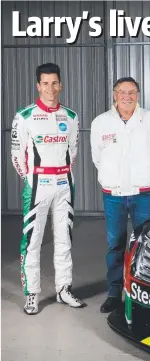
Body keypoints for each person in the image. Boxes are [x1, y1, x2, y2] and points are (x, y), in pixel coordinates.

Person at [11, 63, 86, 315]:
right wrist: (32, 178)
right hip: (37, 186)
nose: (50, 88)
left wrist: (61, 174)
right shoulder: (24, 116)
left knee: (64, 239)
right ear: (38, 86)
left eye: (54, 83)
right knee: (32, 241)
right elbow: (16, 155)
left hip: (65, 184)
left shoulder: (72, 117)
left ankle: (63, 289)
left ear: (60, 85)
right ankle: (31, 294)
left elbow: (73, 152)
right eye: (45, 83)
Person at [90, 77, 150, 313]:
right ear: (114, 94)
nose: (126, 96)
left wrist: (144, 177)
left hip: (142, 194)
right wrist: (112, 178)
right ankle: (114, 293)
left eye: (131, 92)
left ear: (138, 95)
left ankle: (142, 293)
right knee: (116, 244)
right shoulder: (101, 122)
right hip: (113, 194)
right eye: (122, 92)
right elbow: (97, 157)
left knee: (143, 245)